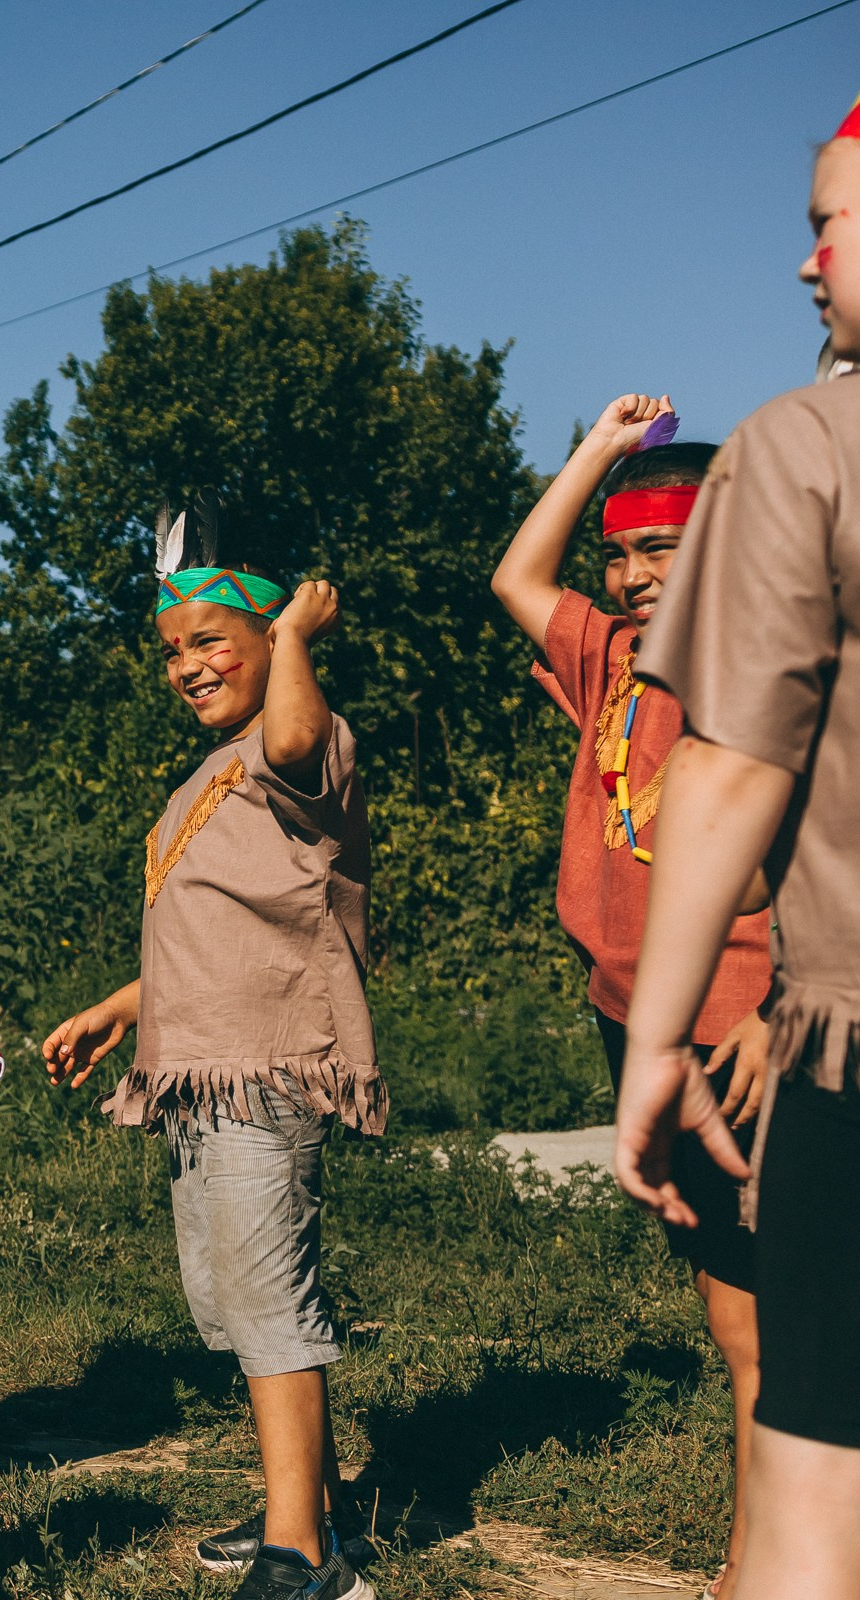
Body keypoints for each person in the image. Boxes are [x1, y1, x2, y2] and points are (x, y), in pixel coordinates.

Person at [616, 95, 860, 1600]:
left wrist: (659, 1042)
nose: (805, 262)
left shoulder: (807, 445)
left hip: (852, 1048)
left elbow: (731, 764)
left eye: (829, 221)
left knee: (816, 1475)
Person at [42, 505, 378, 1600]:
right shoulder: (212, 774)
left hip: (264, 1068)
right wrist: (120, 1009)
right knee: (234, 1299)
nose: (186, 665)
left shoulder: (300, 743)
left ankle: (302, 1556)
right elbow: (218, 941)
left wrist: (297, 638)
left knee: (269, 1299)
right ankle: (311, 1504)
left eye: (209, 642)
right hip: (199, 1073)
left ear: (269, 634)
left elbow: (296, 738)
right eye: (171, 650)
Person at [489, 394, 771, 1598]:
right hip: (639, 1024)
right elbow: (516, 577)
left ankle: (766, 1564)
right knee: (735, 1316)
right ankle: (764, 1553)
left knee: (780, 1323)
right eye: (620, 553)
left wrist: (783, 1003)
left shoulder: (774, 668)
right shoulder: (615, 659)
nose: (634, 574)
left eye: (663, 546)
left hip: (747, 1028)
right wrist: (603, 452)